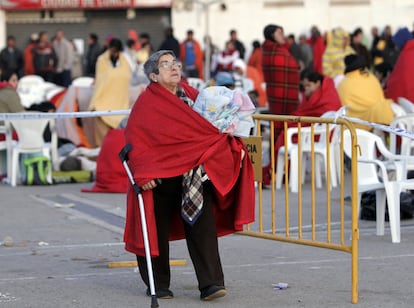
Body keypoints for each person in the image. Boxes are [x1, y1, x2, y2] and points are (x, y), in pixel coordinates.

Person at [123, 50, 255, 301]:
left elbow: (209, 126)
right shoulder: (147, 103)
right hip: (159, 177)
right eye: (165, 65)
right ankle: (158, 284)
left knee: (203, 226)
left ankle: (211, 284)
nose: (174, 67)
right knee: (155, 229)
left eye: (175, 63)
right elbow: (136, 140)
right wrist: (143, 173)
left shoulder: (193, 96)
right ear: (153, 75)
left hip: (192, 173)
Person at [274, 70, 342, 153]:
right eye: (304, 86)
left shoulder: (325, 97)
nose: (306, 88)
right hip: (320, 132)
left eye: (308, 85)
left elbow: (308, 115)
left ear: (318, 83)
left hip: (321, 135)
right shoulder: (323, 92)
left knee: (285, 135)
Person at [88, 38, 132, 147]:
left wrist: (115, 75)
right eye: (113, 50)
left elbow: (126, 75)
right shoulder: (101, 60)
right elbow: (102, 79)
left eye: (117, 51)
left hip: (119, 101)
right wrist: (115, 75)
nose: (115, 53)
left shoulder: (124, 61)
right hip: (104, 100)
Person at [337, 54, 394, 131]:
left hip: (356, 123)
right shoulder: (371, 77)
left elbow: (342, 107)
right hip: (382, 115)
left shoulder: (344, 84)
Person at [261, 24, 300, 121]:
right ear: (271, 35)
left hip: (287, 92)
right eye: (279, 33)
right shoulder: (272, 51)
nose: (283, 36)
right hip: (278, 93)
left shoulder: (283, 50)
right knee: (280, 120)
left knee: (285, 120)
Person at [385, 27, 414, 103]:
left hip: (409, 101)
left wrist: (387, 84)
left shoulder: (405, 55)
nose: (396, 46)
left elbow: (397, 80)